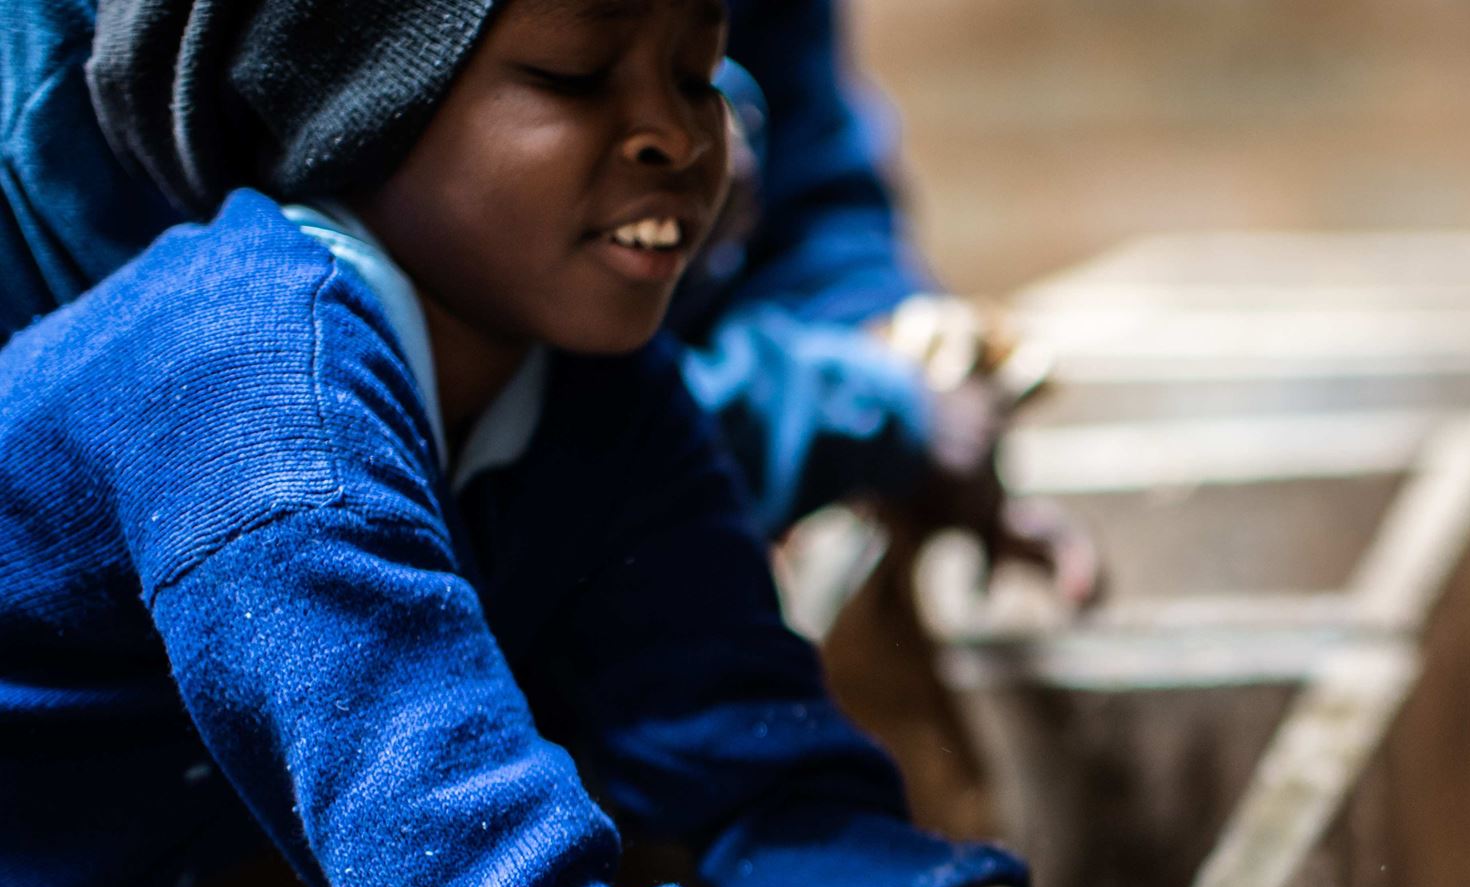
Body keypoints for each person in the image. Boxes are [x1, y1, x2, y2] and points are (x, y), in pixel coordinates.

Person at [0, 0, 1470, 887]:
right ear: (350, 101)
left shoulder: (589, 396)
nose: (672, 134)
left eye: (700, 63)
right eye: (576, 74)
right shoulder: (251, 391)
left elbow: (784, 828)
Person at [0, 0, 1064, 571]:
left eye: (697, 72)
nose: (694, 137)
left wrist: (889, 349)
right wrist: (851, 414)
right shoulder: (238, 340)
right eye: (571, 74)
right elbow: (380, 456)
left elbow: (805, 175)